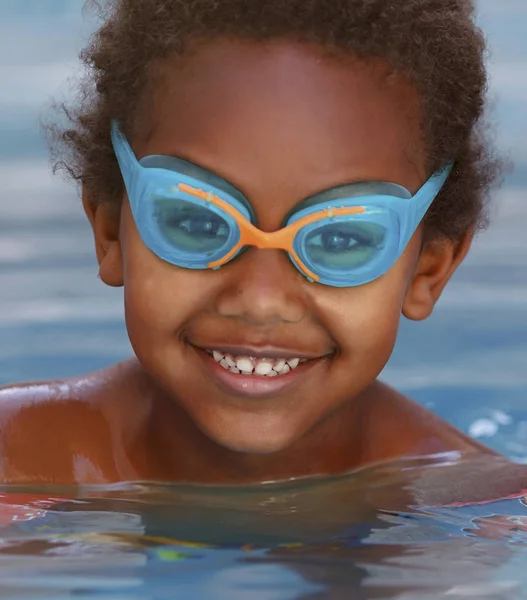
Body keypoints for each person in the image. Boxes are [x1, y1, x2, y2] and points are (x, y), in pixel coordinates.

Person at [0, 0, 502, 485]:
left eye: (341, 238)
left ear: (427, 270)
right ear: (110, 229)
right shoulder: (16, 461)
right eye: (198, 223)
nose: (260, 301)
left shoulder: (480, 514)